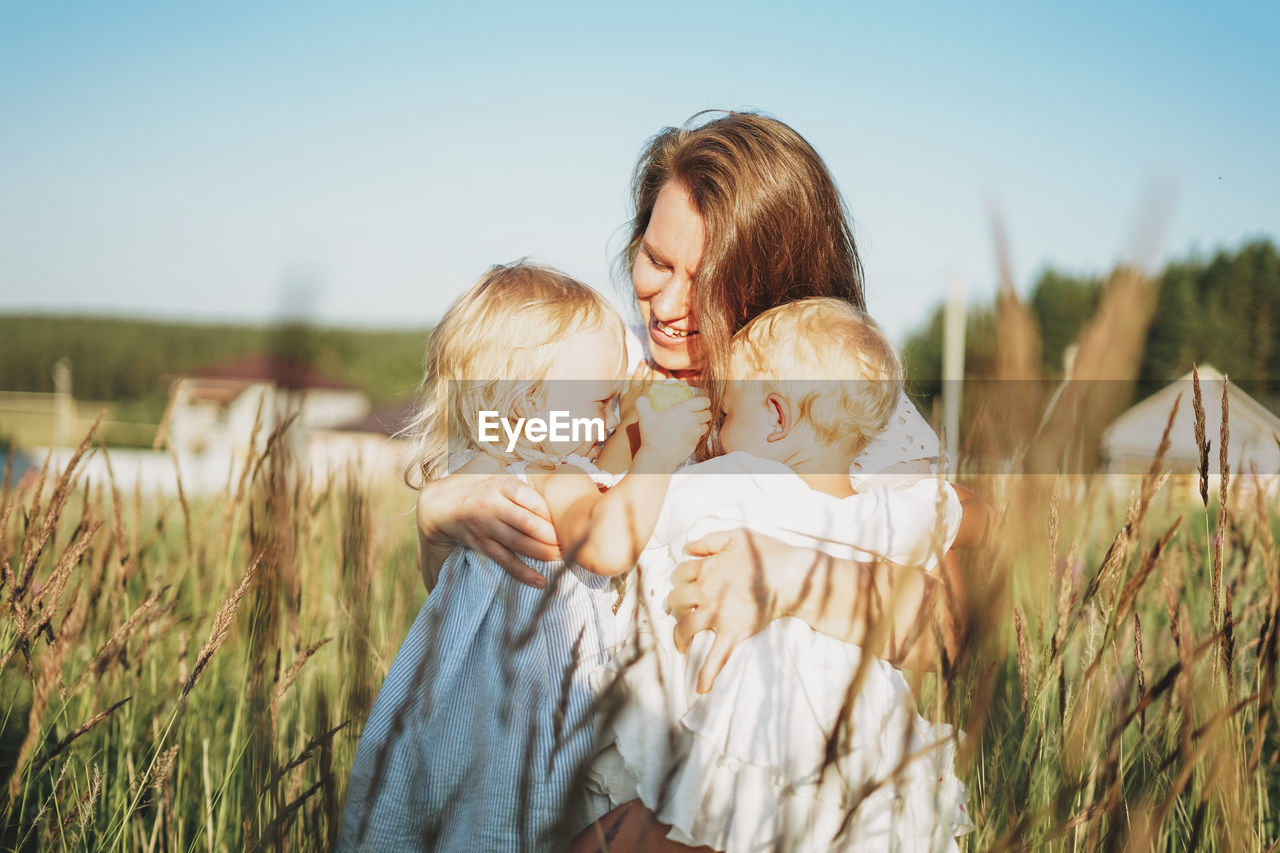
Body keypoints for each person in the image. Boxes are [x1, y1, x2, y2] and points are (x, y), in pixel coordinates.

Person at [415, 110, 966, 680]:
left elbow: (948, 638)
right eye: (656, 261)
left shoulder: (840, 404)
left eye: (711, 283)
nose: (670, 306)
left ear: (779, 284)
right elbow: (477, 598)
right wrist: (434, 521)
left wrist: (793, 577)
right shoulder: (589, 370)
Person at [337, 261, 713, 850]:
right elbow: (609, 541)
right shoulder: (545, 478)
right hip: (517, 733)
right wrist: (659, 450)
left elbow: (600, 475)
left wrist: (634, 422)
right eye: (599, 404)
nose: (605, 422)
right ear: (524, 411)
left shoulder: (497, 470)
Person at [578, 299, 975, 852]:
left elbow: (621, 519)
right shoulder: (876, 512)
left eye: (725, 415)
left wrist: (640, 450)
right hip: (853, 739)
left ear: (777, 415)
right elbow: (942, 514)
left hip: (741, 725)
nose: (716, 433)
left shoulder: (730, 477)